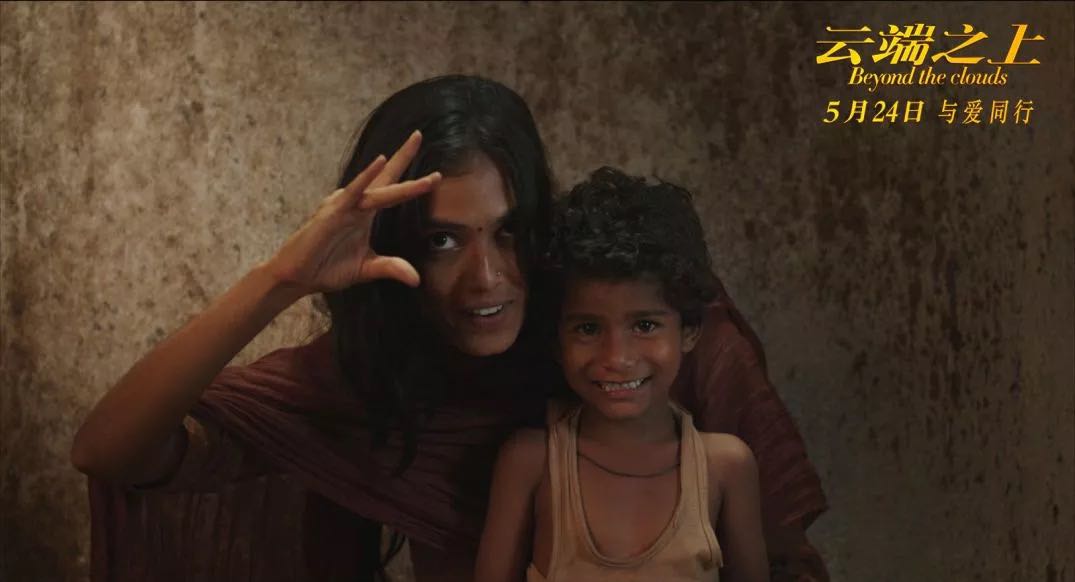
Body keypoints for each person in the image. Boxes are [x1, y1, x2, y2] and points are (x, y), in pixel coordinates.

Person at [71, 75, 827, 581]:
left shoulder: (651, 342)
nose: (486, 279)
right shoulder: (360, 381)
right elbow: (108, 452)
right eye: (442, 241)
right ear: (396, 244)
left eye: (508, 233)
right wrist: (279, 280)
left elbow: (783, 560)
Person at [475, 167, 769, 582]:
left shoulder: (725, 467)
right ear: (556, 341)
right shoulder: (530, 462)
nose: (617, 357)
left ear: (689, 330)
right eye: (588, 328)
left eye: (645, 325)